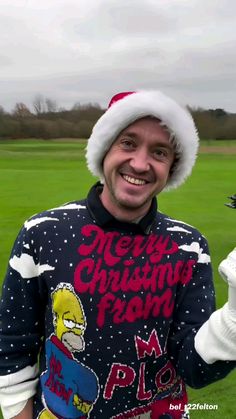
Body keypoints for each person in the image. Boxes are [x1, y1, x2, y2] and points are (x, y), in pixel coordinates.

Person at [0, 90, 235, 419]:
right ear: (105, 149)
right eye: (128, 143)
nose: (140, 163)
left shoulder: (189, 247)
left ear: (171, 167)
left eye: (159, 151)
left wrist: (234, 317)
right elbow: (13, 347)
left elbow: (194, 370)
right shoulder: (42, 231)